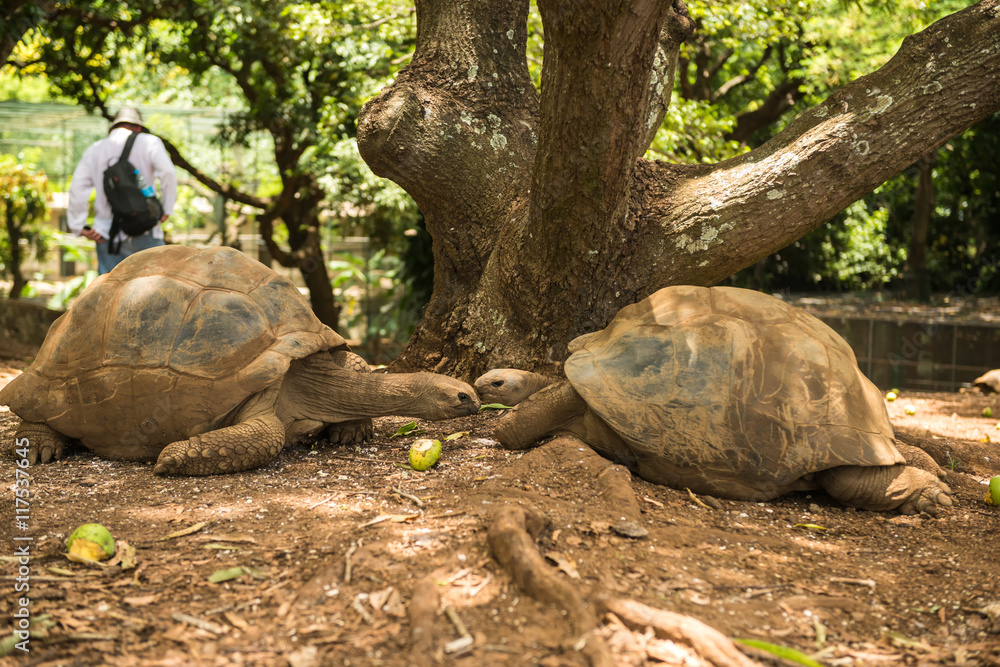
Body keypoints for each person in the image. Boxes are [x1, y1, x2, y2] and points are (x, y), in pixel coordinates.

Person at [67, 107, 178, 274]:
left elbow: (78, 186)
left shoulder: (95, 149)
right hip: (145, 229)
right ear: (138, 127)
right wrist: (166, 209)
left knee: (110, 296)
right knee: (153, 292)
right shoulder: (149, 142)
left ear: (114, 127)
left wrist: (78, 225)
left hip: (106, 233)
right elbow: (168, 173)